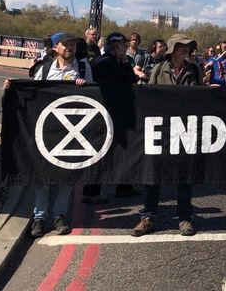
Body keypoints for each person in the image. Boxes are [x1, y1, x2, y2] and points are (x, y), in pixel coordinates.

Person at [133, 34, 202, 237]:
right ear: (173, 49)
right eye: (181, 46)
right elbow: (150, 96)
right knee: (153, 174)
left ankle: (184, 218)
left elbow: (200, 96)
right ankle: (148, 217)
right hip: (161, 128)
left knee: (184, 175)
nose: (185, 50)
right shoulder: (158, 69)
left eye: (188, 47)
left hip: (185, 128)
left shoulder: (194, 70)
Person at [28, 32, 93, 237]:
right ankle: (39, 217)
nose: (70, 48)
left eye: (73, 44)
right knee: (43, 175)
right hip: (48, 129)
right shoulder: (45, 69)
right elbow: (33, 93)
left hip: (73, 129)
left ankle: (60, 215)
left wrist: (85, 86)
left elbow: (94, 96)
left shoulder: (83, 67)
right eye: (66, 44)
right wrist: (12, 88)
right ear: (56, 47)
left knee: (66, 175)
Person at [82, 32, 141, 203]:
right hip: (107, 112)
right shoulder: (106, 62)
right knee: (103, 151)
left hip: (118, 111)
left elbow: (131, 79)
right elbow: (122, 79)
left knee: (122, 150)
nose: (126, 47)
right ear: (116, 47)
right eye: (123, 45)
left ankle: (123, 186)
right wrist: (124, 64)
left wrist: (124, 62)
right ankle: (91, 191)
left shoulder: (118, 61)